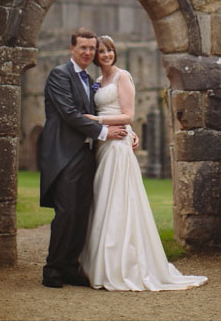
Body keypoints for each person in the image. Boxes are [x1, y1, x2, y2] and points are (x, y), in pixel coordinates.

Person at [80, 35, 208, 291]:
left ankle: (120, 264)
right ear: (95, 56)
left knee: (118, 200)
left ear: (115, 52)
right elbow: (123, 118)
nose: (105, 55)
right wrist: (119, 127)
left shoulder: (122, 77)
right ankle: (99, 262)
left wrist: (96, 120)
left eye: (109, 50)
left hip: (116, 145)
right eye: (101, 52)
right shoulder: (96, 82)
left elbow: (129, 113)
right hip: (103, 144)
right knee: (101, 199)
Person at [38, 28, 130, 289]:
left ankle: (69, 266)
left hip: (86, 154)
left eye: (92, 48)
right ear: (72, 49)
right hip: (64, 154)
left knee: (81, 213)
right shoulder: (59, 75)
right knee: (66, 212)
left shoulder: (91, 79)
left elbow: (109, 110)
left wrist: (127, 134)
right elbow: (69, 113)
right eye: (84, 48)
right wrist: (105, 132)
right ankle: (53, 268)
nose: (89, 52)